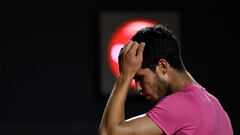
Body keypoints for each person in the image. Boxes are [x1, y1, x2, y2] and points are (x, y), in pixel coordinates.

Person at [99, 24, 233, 135]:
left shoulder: (180, 104)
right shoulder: (218, 108)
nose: (138, 87)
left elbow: (108, 132)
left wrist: (124, 76)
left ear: (162, 66)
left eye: (140, 77)